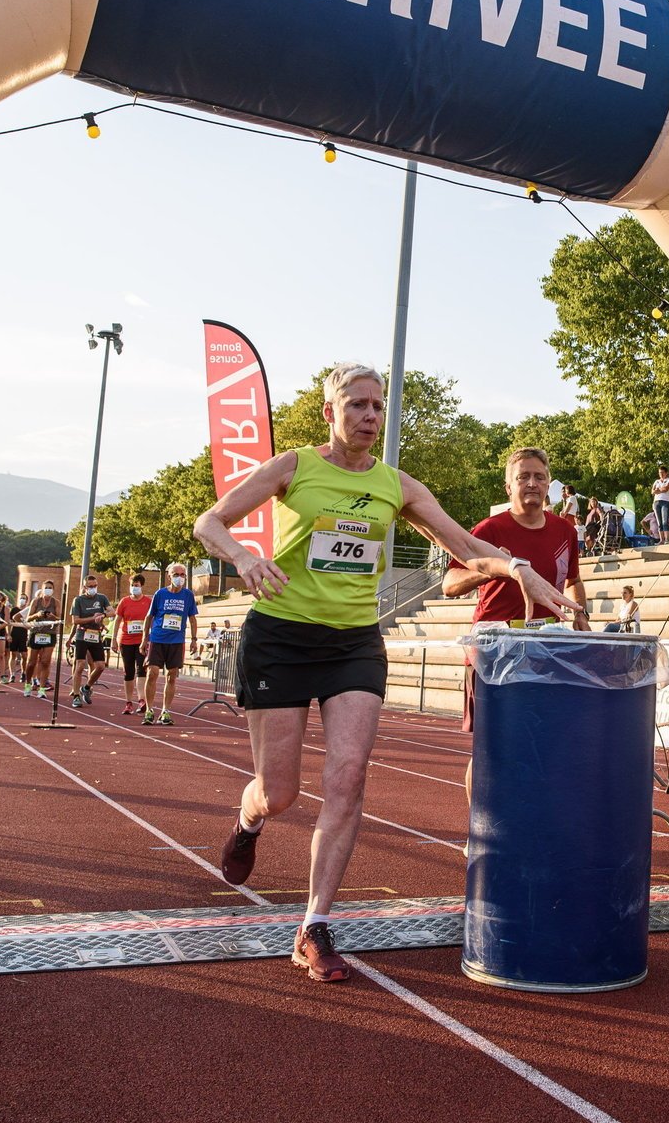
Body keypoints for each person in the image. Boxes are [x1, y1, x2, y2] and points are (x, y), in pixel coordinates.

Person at [193, 363, 580, 984]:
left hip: (353, 642)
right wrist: (242, 554)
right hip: (282, 637)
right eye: (358, 406)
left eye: (378, 407)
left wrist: (516, 571)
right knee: (280, 791)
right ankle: (249, 820)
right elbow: (208, 522)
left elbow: (464, 546)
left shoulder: (397, 485)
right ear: (330, 412)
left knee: (348, 777)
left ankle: (315, 924)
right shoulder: (293, 467)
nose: (370, 417)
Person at [441, 445, 589, 726]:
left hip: (547, 650)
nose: (532, 483)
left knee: (545, 741)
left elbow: (573, 580)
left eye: (539, 476)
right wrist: (493, 569)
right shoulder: (489, 530)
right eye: (523, 477)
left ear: (548, 484)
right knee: (490, 749)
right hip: (494, 650)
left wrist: (581, 613)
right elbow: (450, 584)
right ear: (508, 486)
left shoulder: (565, 531)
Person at [141, 563, 197, 726]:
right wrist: (145, 639)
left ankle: (165, 711)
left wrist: (194, 639)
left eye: (182, 574)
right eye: (176, 574)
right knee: (152, 673)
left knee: (172, 676)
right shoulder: (160, 594)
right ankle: (149, 710)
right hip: (158, 639)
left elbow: (192, 618)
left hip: (176, 641)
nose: (179, 577)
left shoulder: (188, 595)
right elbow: (149, 617)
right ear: (169, 576)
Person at [68, 572, 111, 708]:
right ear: (84, 587)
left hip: (96, 635)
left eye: (95, 586)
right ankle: (76, 695)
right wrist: (93, 617)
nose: (93, 588)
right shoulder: (78, 600)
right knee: (80, 665)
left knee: (100, 666)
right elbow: (75, 620)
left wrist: (103, 614)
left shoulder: (102, 598)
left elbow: (112, 612)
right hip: (82, 635)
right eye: (90, 586)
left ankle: (86, 688)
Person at [115, 571, 152, 716]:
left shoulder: (148, 602)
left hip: (142, 641)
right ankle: (128, 702)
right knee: (128, 672)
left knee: (141, 670)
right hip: (126, 640)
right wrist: (114, 639)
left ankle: (141, 699)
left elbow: (151, 620)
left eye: (136, 585)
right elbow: (118, 620)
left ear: (141, 586)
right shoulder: (124, 602)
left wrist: (149, 638)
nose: (134, 588)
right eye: (132, 585)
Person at [19, 582, 61, 696]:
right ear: (42, 589)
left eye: (50, 588)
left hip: (49, 634)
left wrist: (52, 617)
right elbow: (28, 618)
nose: (48, 590)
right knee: (31, 662)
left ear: (53, 589)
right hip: (36, 632)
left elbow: (59, 619)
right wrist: (37, 615)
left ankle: (42, 688)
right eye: (46, 588)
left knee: (45, 661)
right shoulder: (36, 601)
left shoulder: (56, 602)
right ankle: (28, 684)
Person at [651, 464, 669, 540]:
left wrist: (658, 490)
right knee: (659, 522)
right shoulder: (656, 481)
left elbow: (666, 489)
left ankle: (667, 539)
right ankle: (661, 540)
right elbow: (652, 491)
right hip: (656, 502)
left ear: (666, 473)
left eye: (662, 472)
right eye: (660, 473)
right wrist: (660, 490)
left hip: (666, 501)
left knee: (665, 521)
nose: (661, 474)